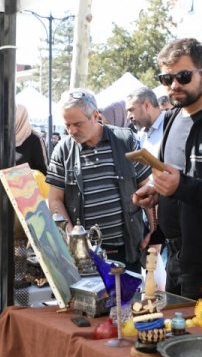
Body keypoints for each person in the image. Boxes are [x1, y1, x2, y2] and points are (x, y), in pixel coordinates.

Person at [133, 38, 202, 299]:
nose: (174, 86)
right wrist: (157, 190)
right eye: (166, 78)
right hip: (176, 256)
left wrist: (180, 185)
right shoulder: (172, 118)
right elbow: (177, 180)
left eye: (182, 76)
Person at [46, 89, 152, 272]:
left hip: (126, 250)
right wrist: (74, 240)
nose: (71, 130)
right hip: (85, 256)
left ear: (95, 116)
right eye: (67, 125)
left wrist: (154, 231)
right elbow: (55, 200)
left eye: (77, 124)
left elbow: (148, 187)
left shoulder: (126, 140)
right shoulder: (62, 150)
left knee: (128, 300)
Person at [125, 87, 165, 154]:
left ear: (146, 106)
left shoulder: (171, 124)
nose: (128, 117)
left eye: (131, 110)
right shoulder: (141, 135)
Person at [13, 104, 48, 174]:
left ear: (21, 117)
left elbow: (44, 170)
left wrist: (19, 174)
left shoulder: (35, 139)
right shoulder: (5, 138)